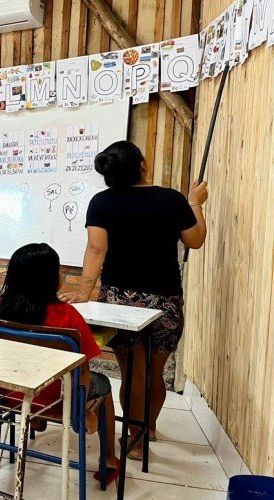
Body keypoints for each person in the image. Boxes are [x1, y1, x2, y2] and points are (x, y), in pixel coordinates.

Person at [60, 140, 208, 458]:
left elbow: (96, 250)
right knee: (154, 372)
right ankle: (146, 432)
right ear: (142, 166)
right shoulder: (171, 199)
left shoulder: (101, 202)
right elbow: (195, 240)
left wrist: (84, 292)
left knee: (132, 371)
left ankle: (136, 436)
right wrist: (195, 203)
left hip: (118, 301)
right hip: (164, 301)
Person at [0, 243, 121, 483]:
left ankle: (34, 416)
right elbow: (84, 374)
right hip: (57, 401)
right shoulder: (68, 316)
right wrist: (81, 412)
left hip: (8, 394)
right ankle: (109, 459)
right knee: (104, 384)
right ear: (50, 279)